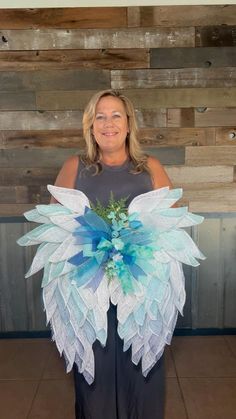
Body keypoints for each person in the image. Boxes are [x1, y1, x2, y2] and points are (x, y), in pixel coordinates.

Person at [51, 89, 173, 419]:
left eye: (116, 115)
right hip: (88, 290)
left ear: (129, 124)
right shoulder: (75, 166)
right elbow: (56, 225)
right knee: (96, 363)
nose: (108, 123)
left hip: (140, 289)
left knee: (140, 362)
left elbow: (172, 225)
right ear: (90, 127)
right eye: (100, 117)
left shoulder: (150, 168)